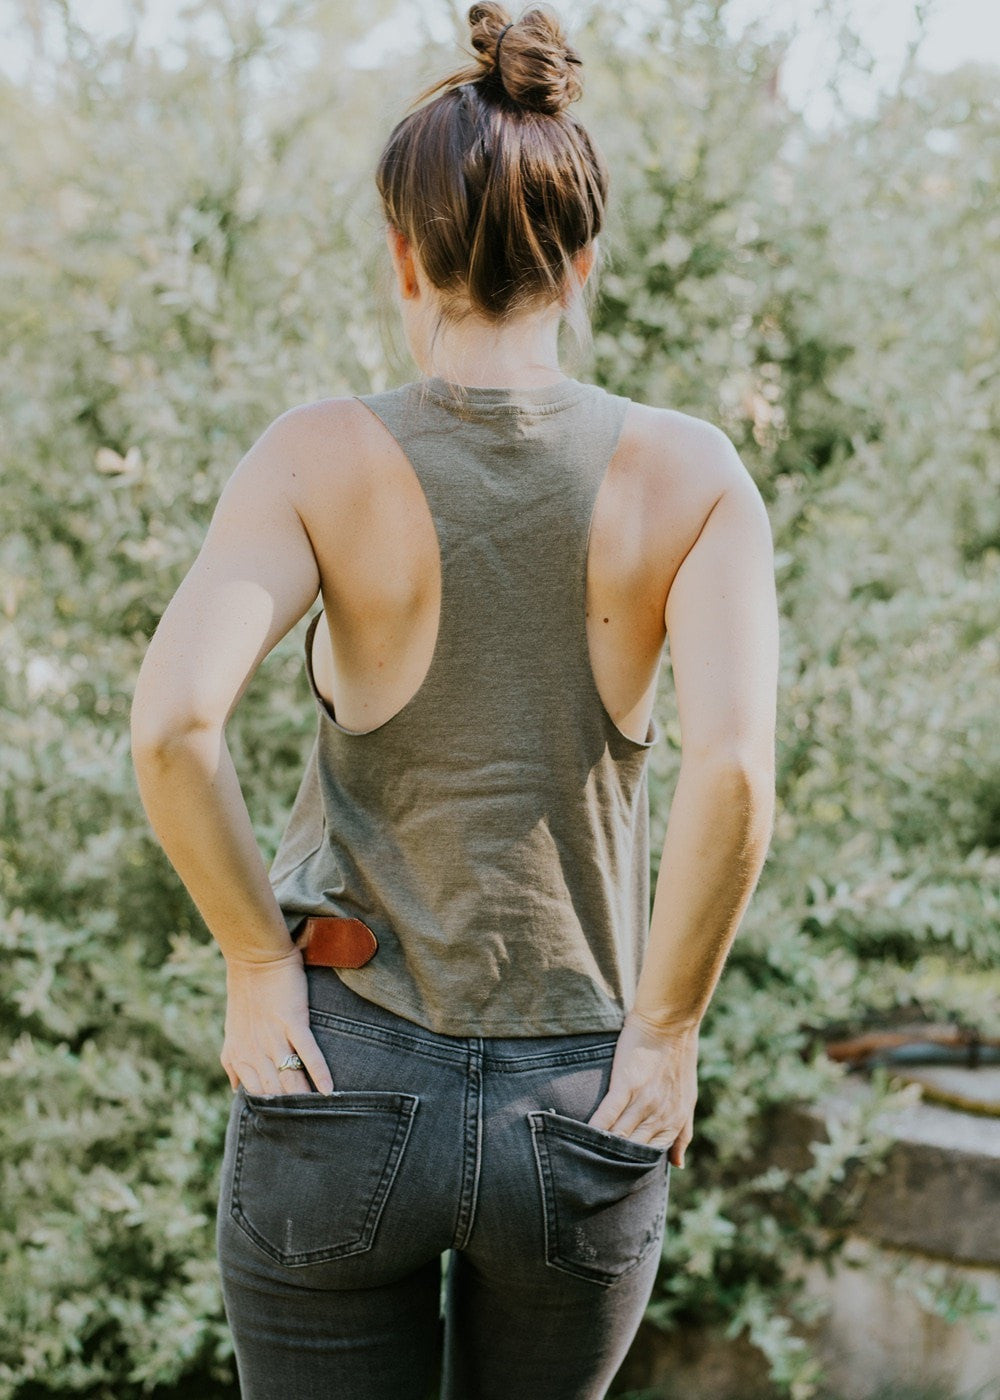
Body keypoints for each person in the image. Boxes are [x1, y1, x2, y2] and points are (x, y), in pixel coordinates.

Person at [129, 4, 778, 1397]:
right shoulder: (695, 476)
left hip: (341, 1068)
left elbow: (173, 726)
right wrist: (665, 1032)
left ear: (403, 255)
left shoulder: (314, 457)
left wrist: (254, 964)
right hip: (580, 1095)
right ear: (584, 261)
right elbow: (735, 777)